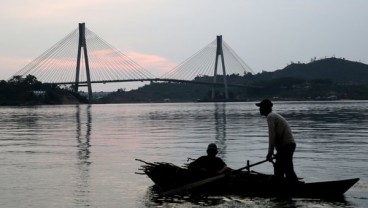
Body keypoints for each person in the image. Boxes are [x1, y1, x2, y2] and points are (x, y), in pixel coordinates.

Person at [256, 99, 299, 184]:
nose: (259, 109)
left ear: (265, 108)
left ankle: (288, 188)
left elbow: (272, 135)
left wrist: (270, 152)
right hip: (288, 145)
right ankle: (292, 186)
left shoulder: (270, 117)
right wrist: (278, 153)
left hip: (287, 146)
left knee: (280, 169)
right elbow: (277, 136)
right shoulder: (273, 116)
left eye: (261, 107)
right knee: (286, 168)